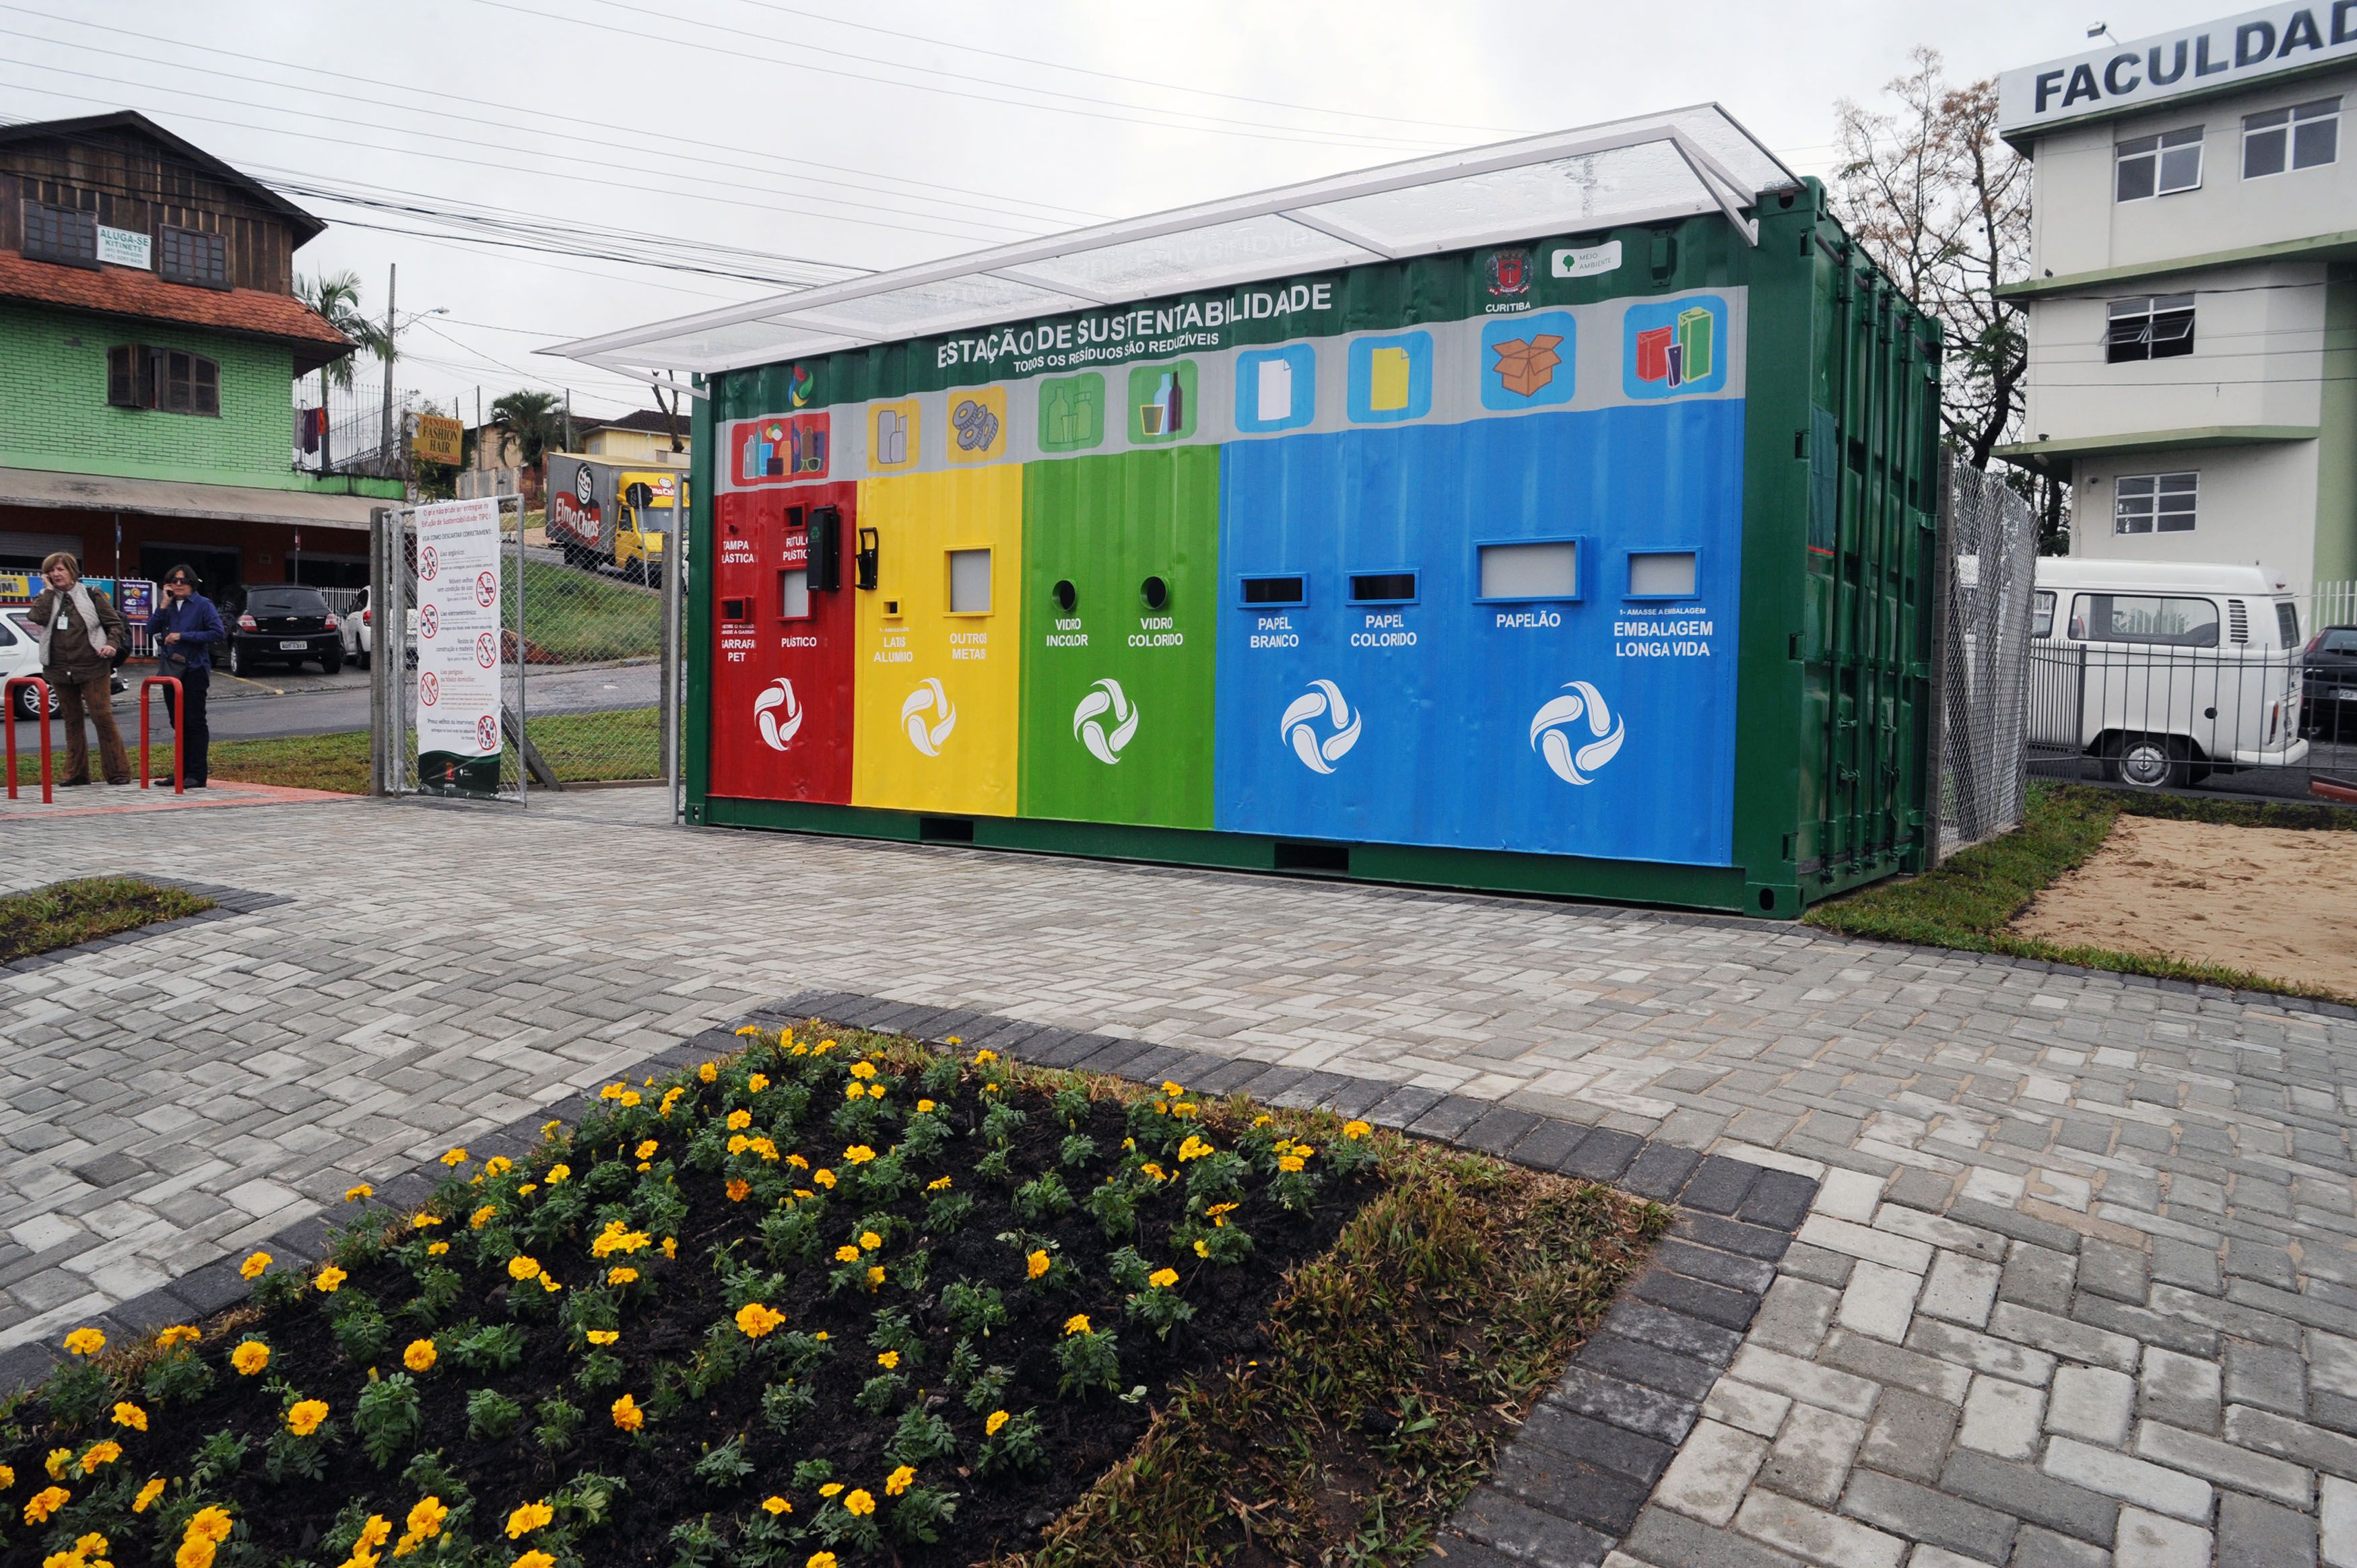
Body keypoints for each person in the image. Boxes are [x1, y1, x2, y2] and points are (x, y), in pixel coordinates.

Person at [24, 551, 131, 787]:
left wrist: (111, 645)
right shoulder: (46, 596)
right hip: (60, 668)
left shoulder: (91, 594)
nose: (56, 574)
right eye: (51, 570)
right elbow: (36, 617)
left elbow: (114, 624)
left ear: (72, 571)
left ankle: (118, 772)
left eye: (61, 569)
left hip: (92, 666)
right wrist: (49, 592)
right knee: (72, 721)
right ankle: (76, 773)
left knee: (102, 718)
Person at [146, 564, 222, 788]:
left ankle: (197, 774)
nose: (179, 585)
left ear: (192, 583)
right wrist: (163, 605)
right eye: (174, 581)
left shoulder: (202, 605)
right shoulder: (168, 606)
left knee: (194, 721)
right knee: (176, 722)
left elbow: (217, 633)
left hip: (194, 669)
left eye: (183, 581)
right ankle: (180, 771)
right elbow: (150, 629)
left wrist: (183, 636)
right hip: (172, 670)